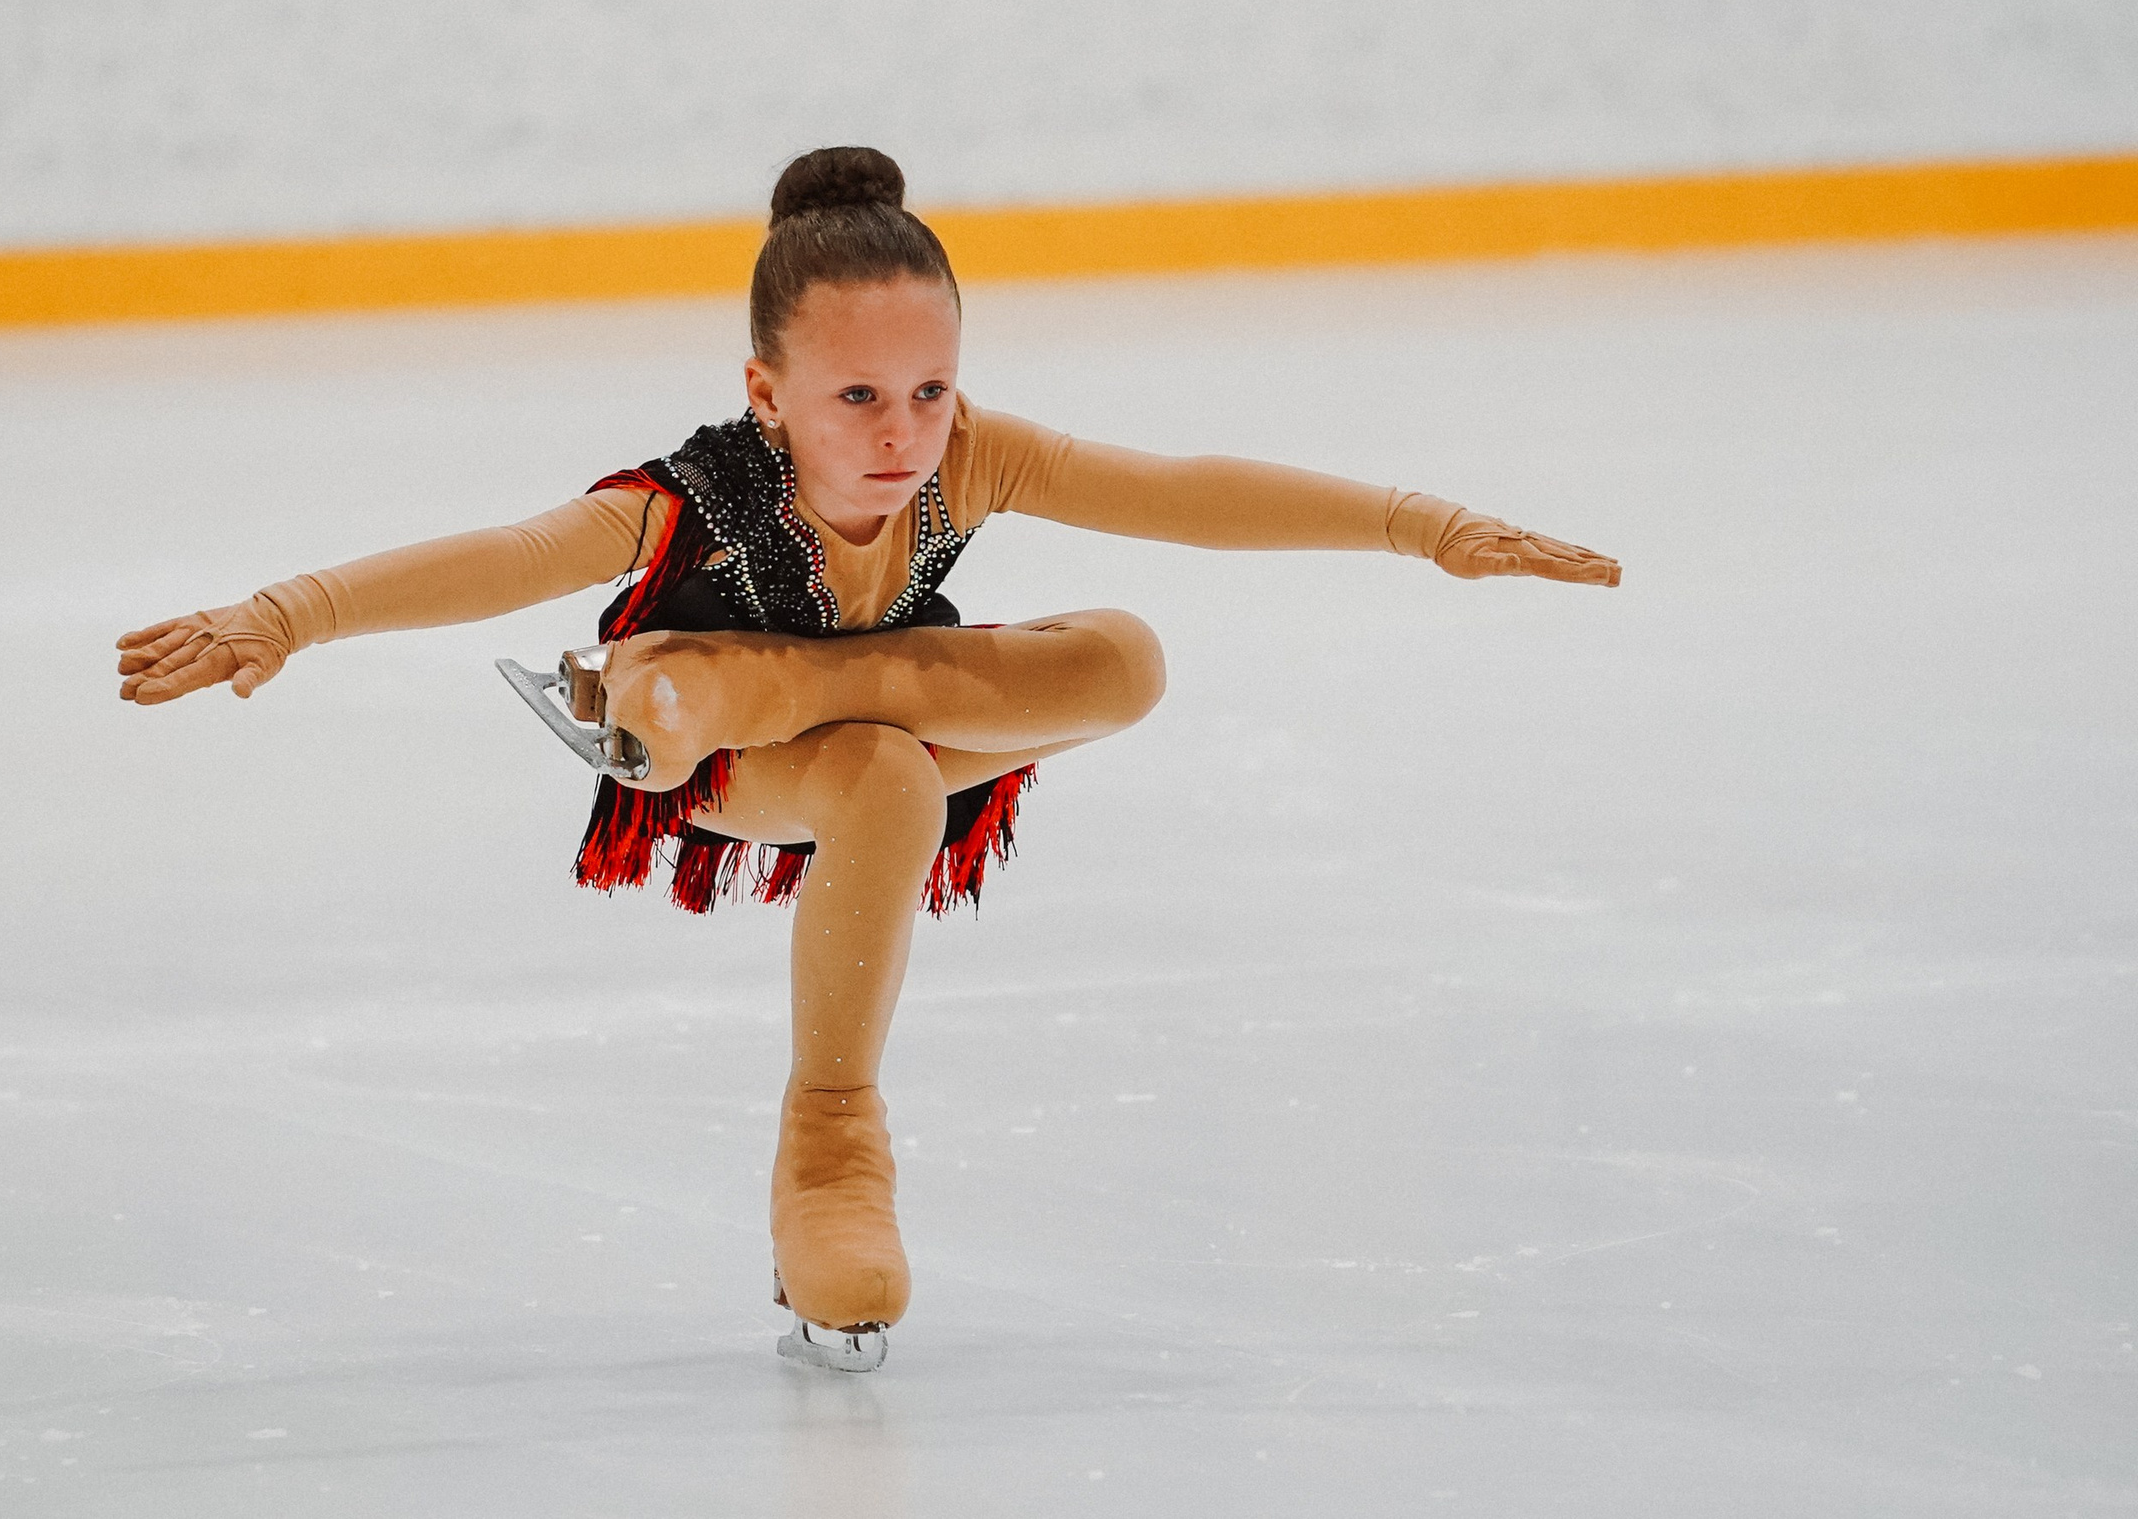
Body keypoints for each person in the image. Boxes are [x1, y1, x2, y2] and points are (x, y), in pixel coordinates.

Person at [115, 146, 1620, 1372]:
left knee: (1128, 658)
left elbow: (1178, 489)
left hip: (738, 704)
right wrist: (286, 616)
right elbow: (509, 552)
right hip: (740, 773)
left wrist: (1420, 525)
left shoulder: (972, 455)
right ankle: (830, 1138)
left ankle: (720, 687)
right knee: (890, 771)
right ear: (767, 392)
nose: (903, 433)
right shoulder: (691, 497)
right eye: (856, 398)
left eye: (930, 391)